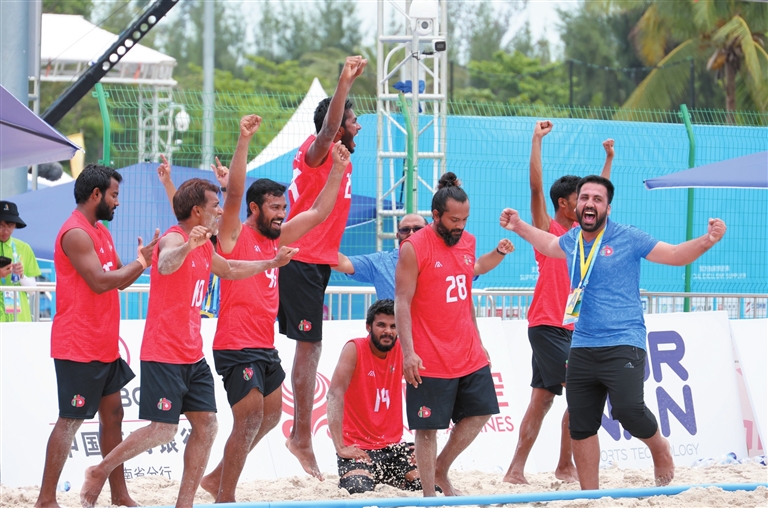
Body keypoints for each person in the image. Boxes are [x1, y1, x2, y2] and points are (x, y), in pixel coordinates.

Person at [80, 178, 297, 508]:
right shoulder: (174, 238)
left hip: (193, 354)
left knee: (207, 426)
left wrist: (271, 263)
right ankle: (99, 470)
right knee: (163, 430)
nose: (220, 211)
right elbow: (165, 263)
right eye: (215, 206)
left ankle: (185, 504)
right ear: (197, 211)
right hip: (164, 353)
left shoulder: (205, 244)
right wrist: (187, 247)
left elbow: (230, 268)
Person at [500, 175, 727, 490]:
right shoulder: (572, 239)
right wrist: (519, 226)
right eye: (584, 197)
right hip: (582, 342)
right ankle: (590, 496)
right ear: (576, 206)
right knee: (581, 423)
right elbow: (548, 245)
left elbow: (675, 255)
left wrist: (707, 240)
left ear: (608, 208)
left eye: (598, 199)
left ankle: (659, 447)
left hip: (624, 339)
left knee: (628, 411)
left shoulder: (628, 237)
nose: (589, 203)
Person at [199, 114, 350, 502]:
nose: (282, 213)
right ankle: (225, 496)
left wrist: (337, 169)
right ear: (255, 208)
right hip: (236, 345)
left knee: (270, 417)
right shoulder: (234, 235)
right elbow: (234, 193)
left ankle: (216, 478)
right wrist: (244, 140)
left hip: (264, 346)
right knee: (248, 418)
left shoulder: (277, 238)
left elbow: (318, 213)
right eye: (274, 208)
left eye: (284, 207)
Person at [34, 165, 159, 508]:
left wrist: (141, 262)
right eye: (114, 195)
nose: (117, 202)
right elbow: (100, 282)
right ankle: (45, 500)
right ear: (96, 195)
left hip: (103, 344)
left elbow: (120, 278)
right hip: (78, 345)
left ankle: (119, 494)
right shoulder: (75, 233)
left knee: (114, 416)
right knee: (70, 420)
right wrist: (141, 263)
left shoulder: (99, 230)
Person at [504, 121, 614, 484]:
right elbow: (536, 187)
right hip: (549, 325)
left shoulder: (584, 234)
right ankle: (565, 466)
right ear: (564, 203)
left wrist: (608, 160)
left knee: (542, 400)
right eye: (579, 197)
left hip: (572, 327)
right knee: (583, 391)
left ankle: (516, 470)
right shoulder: (547, 230)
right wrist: (536, 139)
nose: (586, 203)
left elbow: (600, 197)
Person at [277, 55, 367, 480]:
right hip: (300, 260)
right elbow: (328, 130)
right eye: (353, 120)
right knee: (308, 348)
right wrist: (343, 83)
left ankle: (300, 436)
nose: (358, 126)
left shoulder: (341, 159)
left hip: (315, 262)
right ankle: (300, 436)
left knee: (309, 348)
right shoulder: (319, 152)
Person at [395, 172, 500, 497]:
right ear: (436, 215)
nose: (460, 226)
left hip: (467, 350)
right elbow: (401, 302)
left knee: (482, 412)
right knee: (427, 429)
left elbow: (465, 296)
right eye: (454, 220)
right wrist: (408, 352)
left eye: (465, 219)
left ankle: (441, 468)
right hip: (428, 355)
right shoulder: (414, 247)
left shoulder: (468, 242)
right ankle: (429, 497)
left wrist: (479, 341)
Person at [326, 299, 425, 494]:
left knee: (425, 486)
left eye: (393, 326)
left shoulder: (404, 350)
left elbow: (424, 393)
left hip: (393, 448)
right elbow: (334, 395)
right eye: (381, 325)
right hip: (359, 447)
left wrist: (422, 443)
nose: (388, 331)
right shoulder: (355, 348)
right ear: (368, 327)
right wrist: (340, 446)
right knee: (358, 488)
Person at [333, 213, 515, 300]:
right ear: (397, 235)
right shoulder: (379, 262)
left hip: (433, 337)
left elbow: (478, 267)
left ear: (428, 232)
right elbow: (344, 262)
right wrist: (317, 245)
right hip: (395, 339)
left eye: (418, 229)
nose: (411, 233)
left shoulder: (444, 257)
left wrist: (499, 252)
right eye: (405, 230)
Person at [157, 153, 230, 318]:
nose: (219, 212)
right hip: (199, 312)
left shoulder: (215, 235)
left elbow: (224, 216)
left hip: (212, 312)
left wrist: (226, 188)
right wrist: (168, 183)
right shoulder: (188, 235)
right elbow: (184, 212)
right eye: (215, 206)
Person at [0, 200, 40, 322]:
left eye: (10, 225)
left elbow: (33, 291)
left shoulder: (24, 248)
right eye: (1, 226)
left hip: (19, 320)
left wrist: (21, 275)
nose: (6, 231)